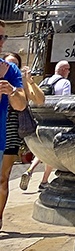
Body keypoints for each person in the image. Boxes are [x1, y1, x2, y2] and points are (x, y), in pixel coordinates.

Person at [20, 60, 71, 190]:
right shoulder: (65, 83)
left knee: (43, 148)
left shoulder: (45, 81)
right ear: (64, 70)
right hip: (57, 120)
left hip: (41, 118)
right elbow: (66, 101)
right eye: (68, 69)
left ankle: (30, 170)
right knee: (52, 150)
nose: (69, 72)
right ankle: (44, 181)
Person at [0, 48, 26, 229]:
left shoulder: (16, 80)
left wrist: (26, 83)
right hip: (3, 127)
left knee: (3, 177)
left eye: (15, 64)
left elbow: (25, 104)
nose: (12, 66)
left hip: (11, 132)